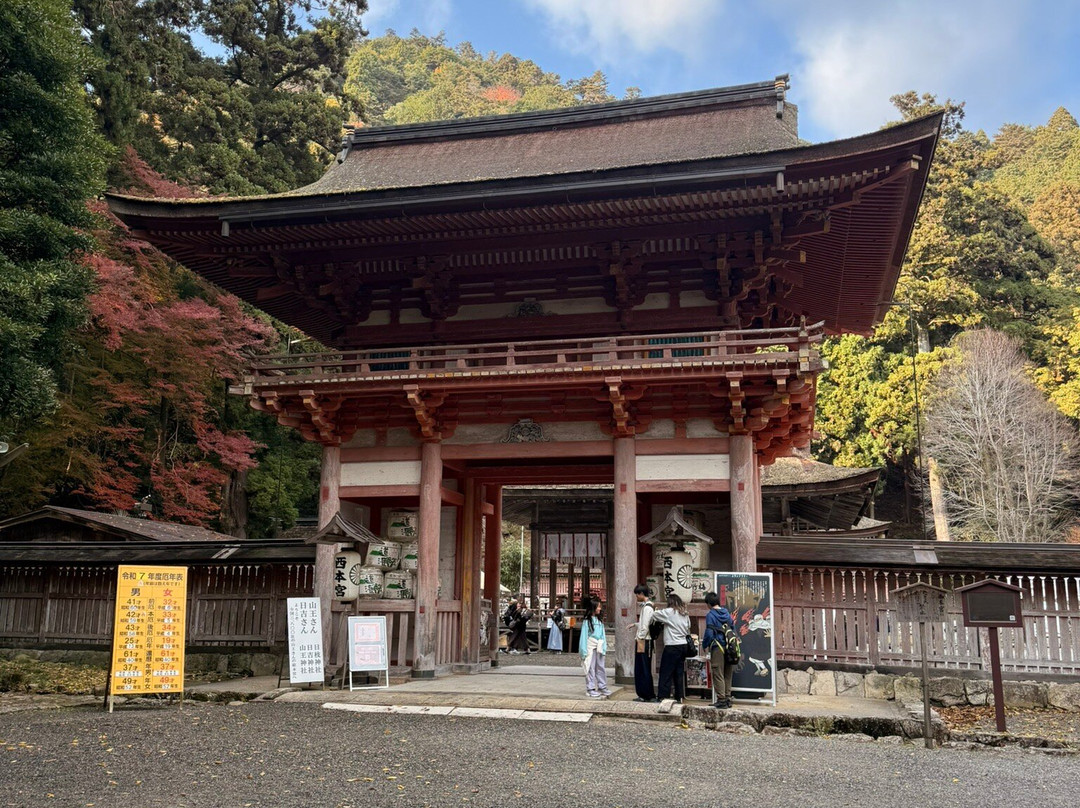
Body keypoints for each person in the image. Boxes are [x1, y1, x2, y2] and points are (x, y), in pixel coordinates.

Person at [650, 593, 691, 703]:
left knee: (666, 671)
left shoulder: (669, 612)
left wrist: (655, 608)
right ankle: (679, 696)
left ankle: (663, 696)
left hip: (672, 645)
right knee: (679, 672)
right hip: (683, 645)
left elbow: (654, 615)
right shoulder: (685, 613)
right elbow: (689, 627)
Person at [702, 591, 735, 708]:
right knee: (727, 673)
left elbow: (709, 633)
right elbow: (733, 629)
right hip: (729, 647)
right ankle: (728, 698)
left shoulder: (711, 615)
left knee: (718, 672)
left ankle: (721, 699)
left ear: (709, 604)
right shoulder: (727, 613)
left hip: (717, 646)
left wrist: (704, 644)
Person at [626, 583, 656, 702]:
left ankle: (645, 694)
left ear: (642, 594)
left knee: (642, 667)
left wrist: (640, 637)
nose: (636, 597)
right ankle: (646, 693)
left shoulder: (647, 608)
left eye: (637, 594)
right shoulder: (649, 606)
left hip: (643, 640)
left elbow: (645, 626)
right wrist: (634, 625)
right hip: (645, 639)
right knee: (644, 667)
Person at [578, 595, 611, 698]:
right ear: (593, 608)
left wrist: (604, 646)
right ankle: (590, 688)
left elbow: (603, 635)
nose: (600, 609)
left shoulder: (599, 621)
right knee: (590, 667)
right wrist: (583, 651)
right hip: (590, 646)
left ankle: (602, 686)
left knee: (600, 667)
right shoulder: (587, 622)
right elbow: (584, 637)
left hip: (599, 645)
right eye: (598, 607)